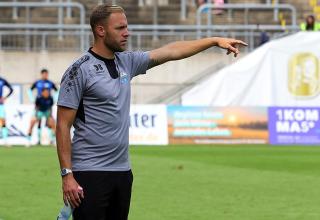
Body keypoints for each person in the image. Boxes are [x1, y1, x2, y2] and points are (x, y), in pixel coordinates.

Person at [56, 4, 247, 220]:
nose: (126, 32)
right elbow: (63, 125)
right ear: (101, 31)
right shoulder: (78, 70)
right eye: (120, 28)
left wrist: (213, 41)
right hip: (89, 172)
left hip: (122, 172)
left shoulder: (126, 62)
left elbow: (171, 51)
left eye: (126, 27)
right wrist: (67, 175)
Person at [27, 68, 58, 145]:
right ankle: (29, 140)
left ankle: (53, 140)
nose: (45, 75)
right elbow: (29, 90)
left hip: (47, 111)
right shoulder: (38, 96)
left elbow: (57, 90)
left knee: (52, 123)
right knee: (33, 122)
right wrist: (32, 99)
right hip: (39, 111)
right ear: (41, 74)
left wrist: (55, 99)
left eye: (46, 74)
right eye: (44, 74)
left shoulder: (50, 96)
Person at [0, 76, 13, 146]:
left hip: (0, 105)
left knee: (3, 121)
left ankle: (5, 141)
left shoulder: (2, 80)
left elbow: (11, 89)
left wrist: (5, 97)